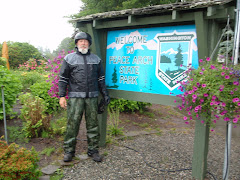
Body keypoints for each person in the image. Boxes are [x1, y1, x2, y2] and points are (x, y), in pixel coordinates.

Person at [58, 32, 110, 162]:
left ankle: (93, 150)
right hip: (75, 97)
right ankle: (69, 151)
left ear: (89, 43)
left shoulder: (96, 59)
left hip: (92, 97)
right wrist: (62, 96)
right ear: (76, 43)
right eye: (80, 41)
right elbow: (63, 79)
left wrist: (105, 94)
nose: (83, 43)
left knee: (93, 124)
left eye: (85, 41)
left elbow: (101, 79)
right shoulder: (69, 59)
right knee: (72, 124)